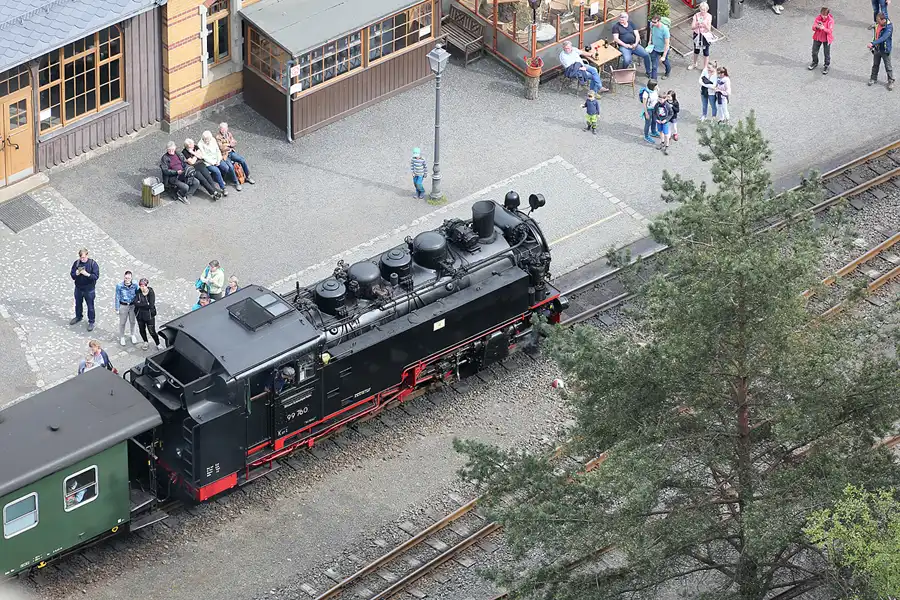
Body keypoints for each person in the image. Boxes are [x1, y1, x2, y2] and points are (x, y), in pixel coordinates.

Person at [612, 12, 651, 76]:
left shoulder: (631, 24)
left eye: (623, 20)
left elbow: (637, 35)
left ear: (627, 19)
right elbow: (616, 39)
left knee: (646, 55)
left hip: (634, 45)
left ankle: (648, 72)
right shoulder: (616, 27)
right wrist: (625, 45)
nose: (621, 21)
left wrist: (636, 43)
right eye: (620, 20)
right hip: (624, 46)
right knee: (627, 60)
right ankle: (623, 71)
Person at [70, 248, 100, 332]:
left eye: (83, 257)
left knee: (90, 306)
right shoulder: (77, 263)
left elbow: (96, 276)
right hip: (78, 288)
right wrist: (75, 273)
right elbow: (72, 275)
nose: (82, 259)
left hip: (89, 290)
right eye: (81, 257)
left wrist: (87, 274)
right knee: (78, 304)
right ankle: (78, 317)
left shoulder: (93, 264)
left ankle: (91, 321)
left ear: (87, 255)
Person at [868, 12, 894, 91]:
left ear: (883, 20)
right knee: (875, 64)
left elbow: (883, 38)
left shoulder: (889, 27)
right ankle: (873, 78)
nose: (877, 22)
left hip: (885, 49)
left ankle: (891, 81)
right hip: (877, 48)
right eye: (877, 21)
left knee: (888, 66)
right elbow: (876, 34)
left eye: (879, 21)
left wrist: (872, 43)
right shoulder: (877, 24)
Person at [134, 278, 160, 351]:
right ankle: (145, 341)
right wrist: (145, 304)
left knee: (152, 331)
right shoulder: (138, 292)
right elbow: (135, 303)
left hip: (149, 316)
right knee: (142, 329)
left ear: (146, 285)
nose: (142, 288)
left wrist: (140, 304)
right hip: (140, 315)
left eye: (143, 286)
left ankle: (158, 343)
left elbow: (151, 305)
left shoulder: (151, 292)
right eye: (141, 286)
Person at [115, 270, 139, 346]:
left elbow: (138, 294)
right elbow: (117, 297)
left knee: (132, 321)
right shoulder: (119, 286)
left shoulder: (135, 284)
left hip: (132, 305)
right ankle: (122, 337)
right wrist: (117, 308)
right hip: (123, 305)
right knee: (122, 322)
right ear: (124, 278)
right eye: (126, 278)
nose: (127, 279)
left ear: (131, 278)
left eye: (129, 278)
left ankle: (132, 335)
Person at [689, 2, 713, 71]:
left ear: (707, 10)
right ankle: (694, 63)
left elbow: (709, 29)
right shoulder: (696, 15)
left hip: (705, 36)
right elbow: (692, 27)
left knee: (706, 51)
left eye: (704, 10)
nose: (702, 11)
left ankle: (705, 67)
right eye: (701, 9)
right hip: (697, 34)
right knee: (696, 50)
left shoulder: (709, 16)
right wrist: (697, 24)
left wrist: (705, 24)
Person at [649, 15, 671, 81]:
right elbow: (651, 32)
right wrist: (650, 40)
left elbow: (667, 44)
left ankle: (667, 72)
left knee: (665, 62)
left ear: (659, 21)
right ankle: (653, 81)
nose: (653, 23)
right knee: (654, 66)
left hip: (663, 49)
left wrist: (663, 56)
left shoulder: (665, 30)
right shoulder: (652, 25)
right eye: (652, 21)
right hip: (655, 48)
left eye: (655, 22)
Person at [640, 79, 660, 144]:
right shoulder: (646, 93)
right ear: (652, 86)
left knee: (654, 120)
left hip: (655, 108)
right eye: (656, 85)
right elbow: (644, 104)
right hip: (649, 109)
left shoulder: (655, 90)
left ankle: (653, 132)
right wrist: (646, 113)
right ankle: (646, 136)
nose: (657, 86)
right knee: (648, 123)